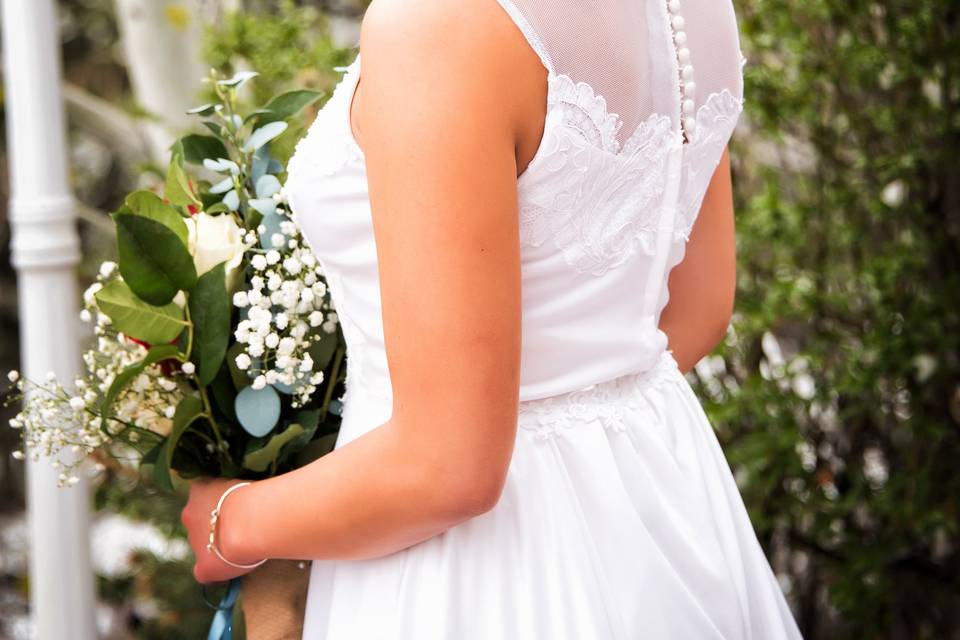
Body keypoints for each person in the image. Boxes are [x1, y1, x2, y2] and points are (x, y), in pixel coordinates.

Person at [181, 0, 805, 637]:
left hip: (479, 566)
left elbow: (446, 468)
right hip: (660, 493)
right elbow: (697, 310)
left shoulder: (437, 23)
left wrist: (231, 522)